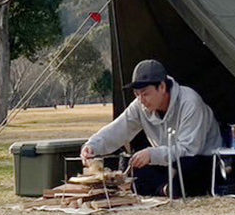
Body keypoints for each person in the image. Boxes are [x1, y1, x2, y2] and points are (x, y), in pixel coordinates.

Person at [80, 59, 222, 197]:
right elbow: (118, 129)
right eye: (137, 94)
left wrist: (152, 154)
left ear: (162, 87)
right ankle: (166, 189)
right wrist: (93, 146)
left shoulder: (190, 102)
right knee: (136, 171)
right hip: (165, 162)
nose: (141, 100)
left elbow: (189, 150)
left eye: (146, 93)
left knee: (188, 166)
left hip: (201, 158)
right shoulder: (140, 105)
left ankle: (166, 188)